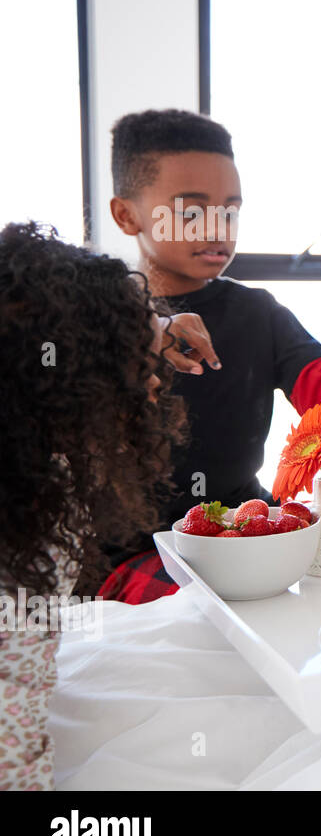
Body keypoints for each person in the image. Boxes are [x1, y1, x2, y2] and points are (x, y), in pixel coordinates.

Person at [97, 109, 321, 603]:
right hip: (141, 553)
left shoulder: (258, 312)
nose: (218, 227)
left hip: (253, 526)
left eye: (232, 209)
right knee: (211, 612)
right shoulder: (93, 320)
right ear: (127, 215)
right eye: (190, 210)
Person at [0, 222, 185, 789]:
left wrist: (155, 329)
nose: (156, 386)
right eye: (141, 366)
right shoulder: (30, 541)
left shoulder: (34, 471)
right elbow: (16, 748)